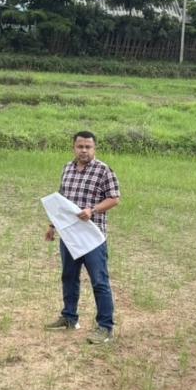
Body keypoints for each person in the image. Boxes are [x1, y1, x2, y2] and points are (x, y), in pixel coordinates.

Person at [44, 131, 121, 343]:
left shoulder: (103, 170)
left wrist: (93, 210)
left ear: (94, 149)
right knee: (69, 276)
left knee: (99, 281)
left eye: (88, 147)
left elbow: (114, 199)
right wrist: (52, 226)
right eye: (80, 146)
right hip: (69, 235)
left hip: (92, 237)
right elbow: (62, 201)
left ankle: (105, 327)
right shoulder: (67, 169)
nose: (84, 150)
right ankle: (69, 317)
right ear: (74, 147)